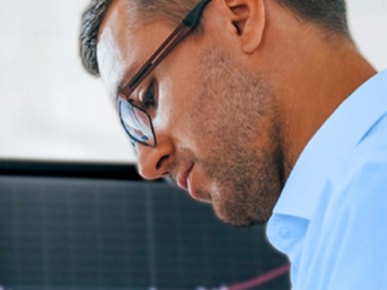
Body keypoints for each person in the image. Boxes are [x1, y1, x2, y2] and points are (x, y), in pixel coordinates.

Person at [79, 0, 387, 289]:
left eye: (148, 97)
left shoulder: (372, 193)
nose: (148, 164)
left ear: (241, 19)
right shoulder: (336, 223)